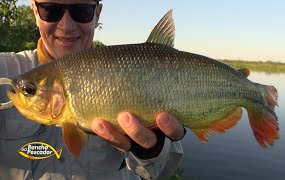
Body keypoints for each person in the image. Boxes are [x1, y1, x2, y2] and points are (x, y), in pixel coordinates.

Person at [0, 0, 184, 179]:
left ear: (97, 14)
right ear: (34, 10)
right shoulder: (4, 67)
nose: (66, 26)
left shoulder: (130, 67)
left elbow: (162, 171)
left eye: (82, 11)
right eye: (50, 10)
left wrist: (151, 152)